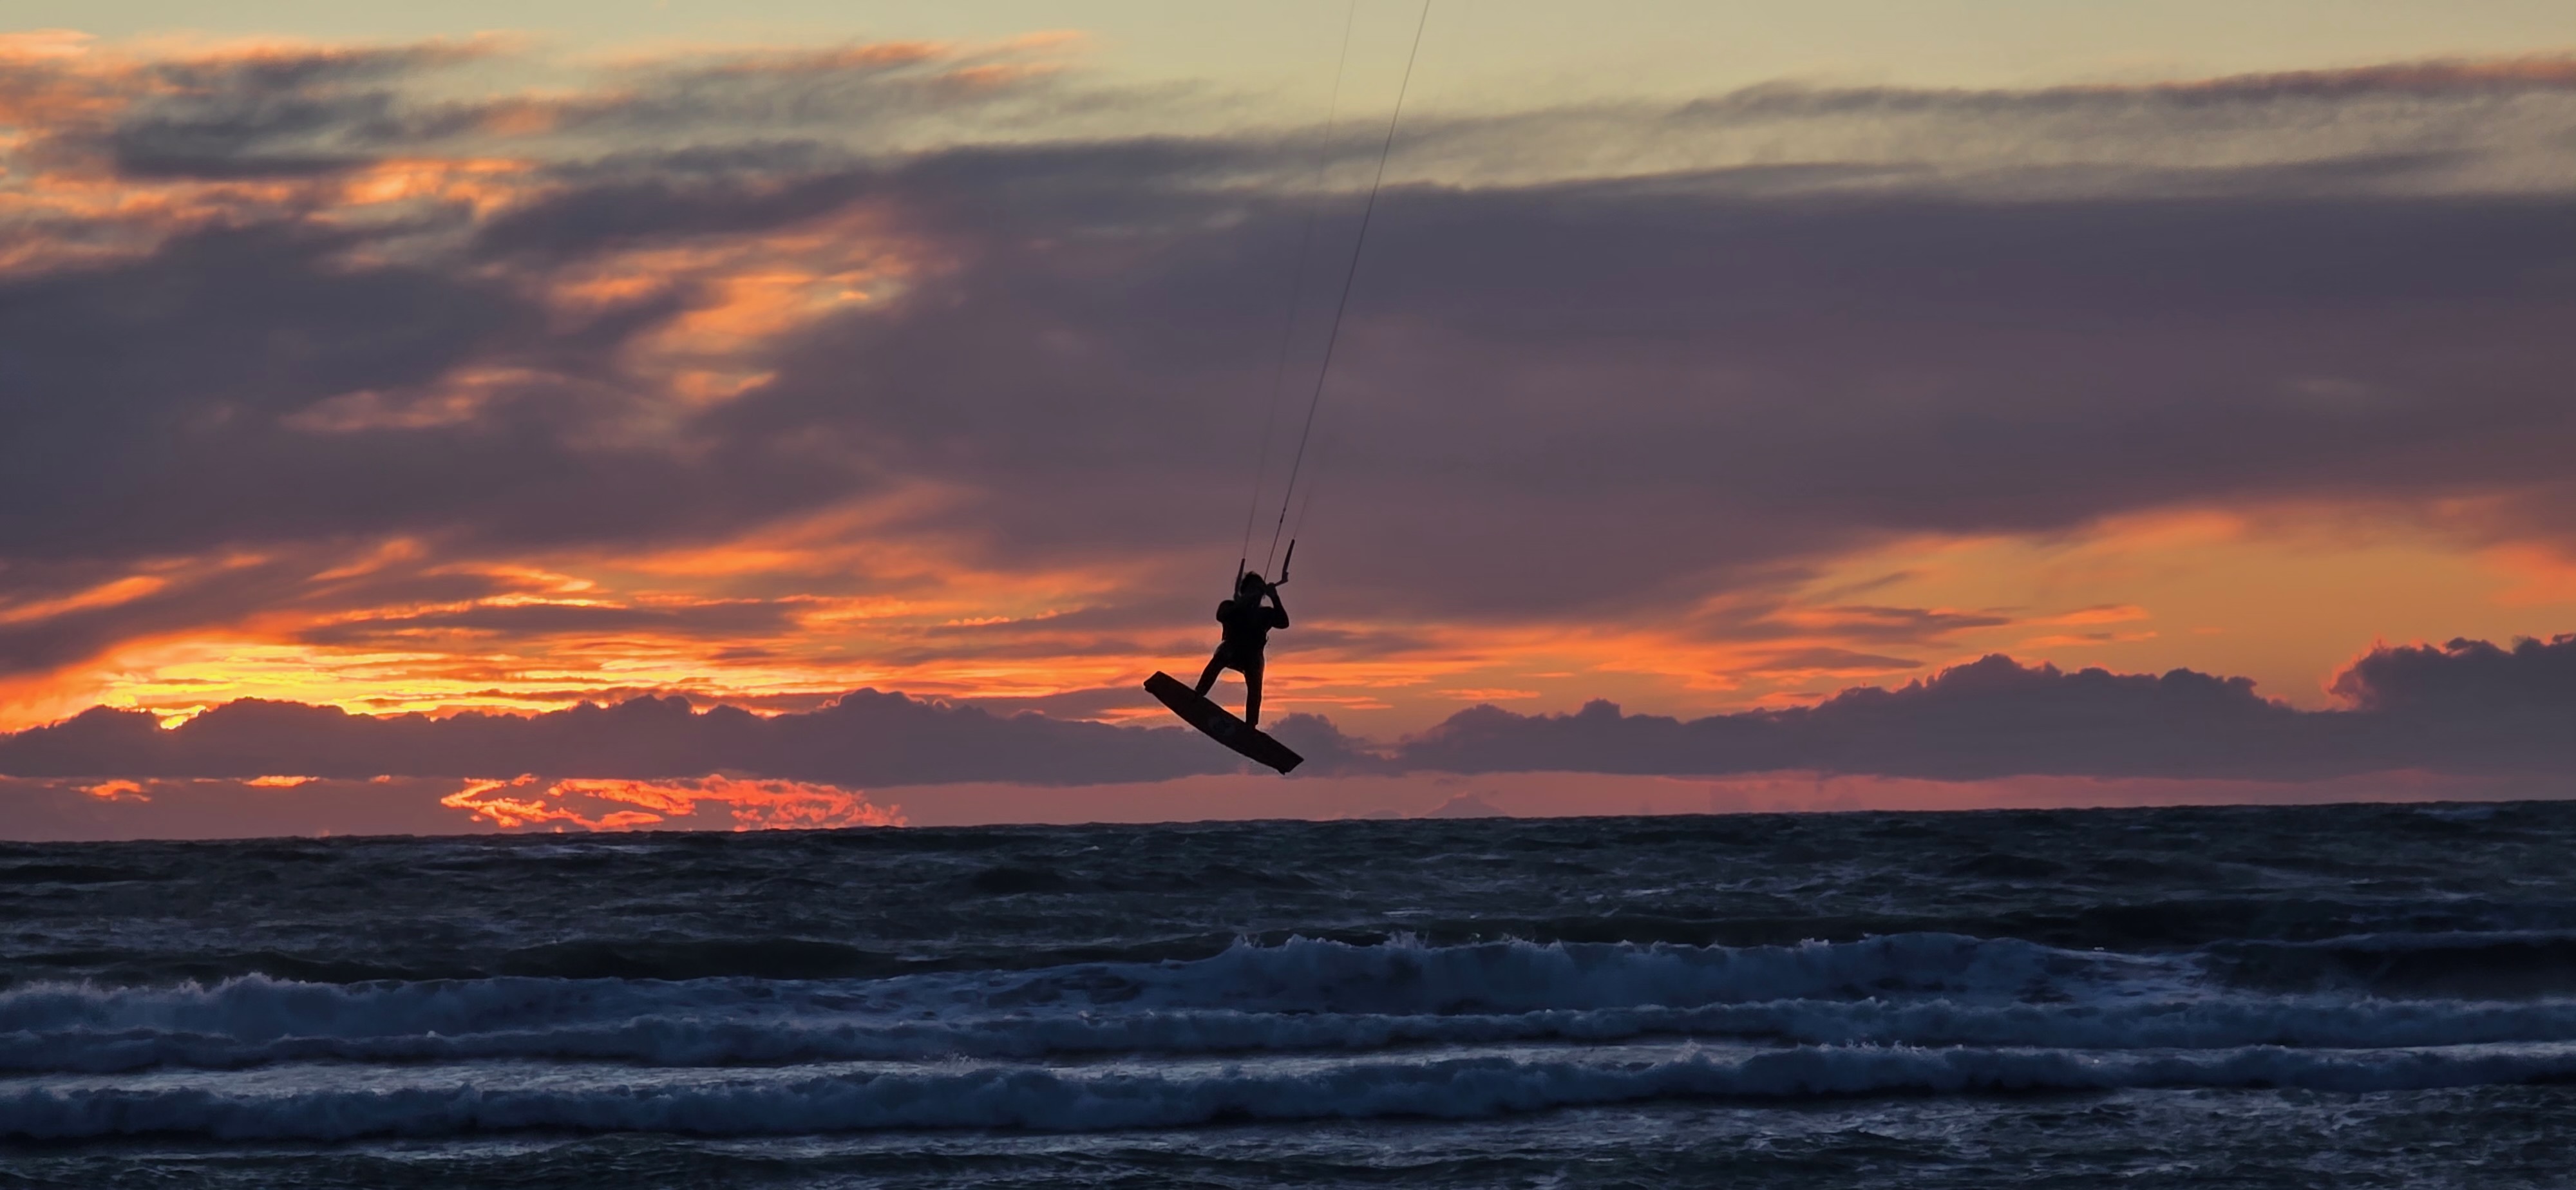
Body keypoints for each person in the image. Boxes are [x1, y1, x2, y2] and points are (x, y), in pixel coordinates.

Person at [1195, 570, 1289, 726]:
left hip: (1252, 657)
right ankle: (1198, 694)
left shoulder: (1265, 614)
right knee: (1221, 655)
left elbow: (1284, 623)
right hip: (1231, 650)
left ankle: (1251, 724)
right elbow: (1221, 615)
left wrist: (1275, 597)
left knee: (1256, 680)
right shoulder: (1230, 606)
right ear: (1244, 591)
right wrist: (1244, 601)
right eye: (1253, 590)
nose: (1256, 595)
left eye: (1259, 591)